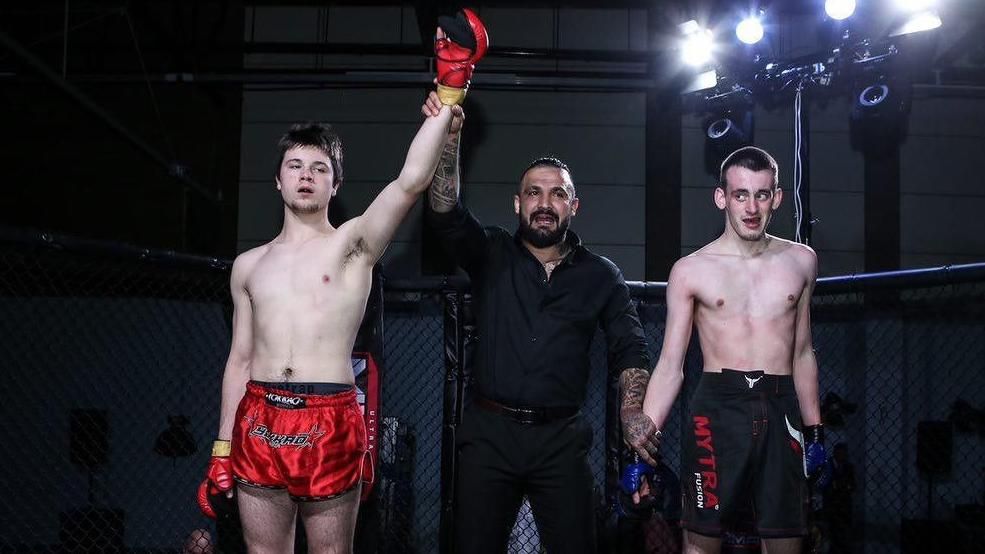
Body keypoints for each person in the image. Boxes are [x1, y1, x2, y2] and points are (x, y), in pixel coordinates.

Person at [195, 81, 459, 554]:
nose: (306, 175)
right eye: (295, 166)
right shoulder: (248, 266)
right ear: (277, 180)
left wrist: (450, 93)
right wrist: (221, 447)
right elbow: (238, 361)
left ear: (335, 185)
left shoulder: (352, 247)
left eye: (320, 168)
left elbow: (410, 181)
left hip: (329, 417)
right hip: (258, 418)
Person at [421, 96, 652, 553]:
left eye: (557, 194)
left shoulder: (601, 275)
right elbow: (444, 209)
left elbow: (630, 348)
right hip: (490, 438)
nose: (545, 204)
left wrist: (631, 412)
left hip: (560, 442)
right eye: (534, 193)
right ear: (517, 203)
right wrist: (450, 138)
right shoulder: (490, 252)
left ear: (574, 205)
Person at [635, 146, 826, 554]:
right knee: (701, 543)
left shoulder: (802, 261)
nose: (752, 207)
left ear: (776, 197)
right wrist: (642, 449)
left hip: (781, 406)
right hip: (717, 406)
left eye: (761, 194)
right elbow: (670, 365)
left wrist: (816, 431)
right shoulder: (691, 270)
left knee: (786, 540)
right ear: (722, 197)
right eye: (741, 194)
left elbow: (803, 352)